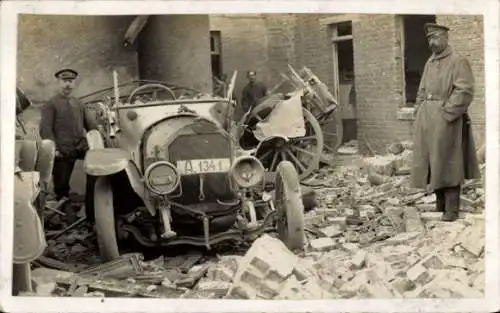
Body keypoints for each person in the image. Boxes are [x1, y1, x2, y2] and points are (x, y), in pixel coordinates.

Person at [411, 23, 480, 222]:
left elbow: (465, 91)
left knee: (449, 162)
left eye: (436, 38)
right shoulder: (430, 62)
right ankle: (440, 205)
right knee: (433, 162)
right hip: (427, 119)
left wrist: (447, 113)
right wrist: (419, 110)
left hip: (446, 120)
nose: (432, 42)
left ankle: (452, 210)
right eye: (429, 39)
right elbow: (422, 90)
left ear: (446, 37)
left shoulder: (458, 61)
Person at [39, 68, 98, 202]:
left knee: (97, 170)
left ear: (74, 83)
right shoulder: (51, 104)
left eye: (71, 81)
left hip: (79, 147)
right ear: (58, 83)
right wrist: (55, 150)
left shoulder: (79, 104)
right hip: (62, 151)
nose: (67, 85)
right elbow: (45, 129)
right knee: (61, 186)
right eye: (64, 81)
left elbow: (91, 128)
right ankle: (63, 214)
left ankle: (92, 206)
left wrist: (91, 143)